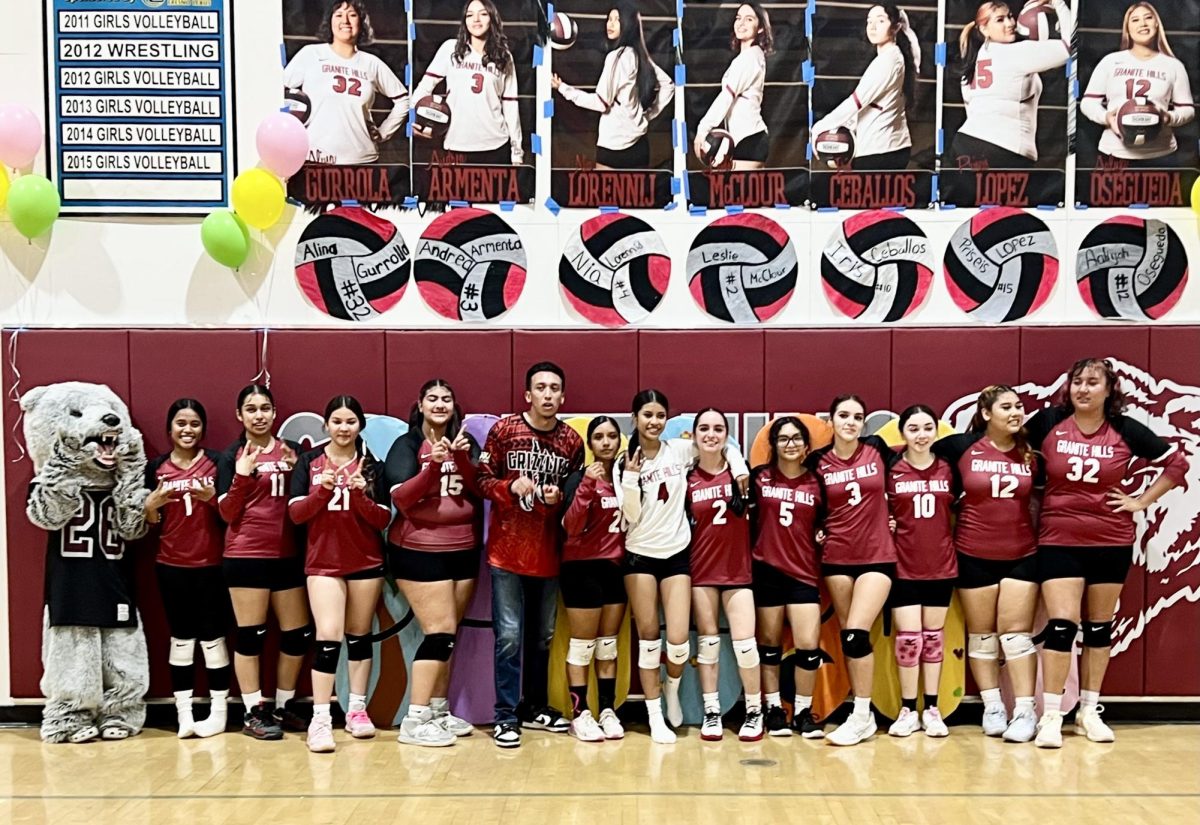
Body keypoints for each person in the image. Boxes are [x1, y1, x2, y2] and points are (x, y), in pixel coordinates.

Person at [1025, 359, 1185, 747]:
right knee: (1062, 628)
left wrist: (1140, 501)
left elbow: (1176, 463)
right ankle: (1050, 715)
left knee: (1098, 628)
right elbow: (1007, 449)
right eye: (1077, 381)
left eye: (1092, 382)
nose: (1083, 388)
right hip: (1059, 537)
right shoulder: (1047, 422)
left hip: (1110, 539)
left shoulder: (1125, 429)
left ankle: (1088, 711)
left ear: (1109, 389)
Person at [620, 390, 749, 744]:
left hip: (676, 554)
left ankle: (673, 689)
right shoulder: (623, 461)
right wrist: (631, 478)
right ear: (635, 418)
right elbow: (630, 516)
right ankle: (654, 715)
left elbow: (721, 446)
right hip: (639, 555)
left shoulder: (678, 449)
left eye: (660, 415)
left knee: (678, 643)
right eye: (647, 414)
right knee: (648, 640)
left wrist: (739, 467)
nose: (654, 421)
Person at [477, 362, 585, 748]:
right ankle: (505, 715)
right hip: (507, 552)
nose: (548, 394)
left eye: (555, 388)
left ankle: (534, 706)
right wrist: (510, 486)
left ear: (563, 396)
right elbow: (481, 481)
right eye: (541, 387)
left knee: (542, 637)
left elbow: (575, 497)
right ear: (528, 394)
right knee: (508, 636)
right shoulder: (504, 430)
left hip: (549, 553)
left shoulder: (572, 441)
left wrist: (558, 500)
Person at [933, 385, 1040, 742]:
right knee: (982, 638)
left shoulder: (1030, 452)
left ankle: (1025, 711)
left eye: (1018, 406)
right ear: (985, 412)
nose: (1015, 412)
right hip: (973, 553)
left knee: (1015, 636)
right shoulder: (960, 448)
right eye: (1006, 406)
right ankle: (992, 707)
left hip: (1021, 554)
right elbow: (915, 460)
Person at [288, 396, 390, 753]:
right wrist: (323, 491)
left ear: (359, 425)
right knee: (328, 636)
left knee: (359, 636)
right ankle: (320, 718)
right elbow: (297, 515)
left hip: (365, 561)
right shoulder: (308, 462)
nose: (344, 428)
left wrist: (362, 494)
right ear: (326, 425)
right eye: (337, 421)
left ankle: (357, 710)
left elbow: (383, 519)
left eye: (350, 421)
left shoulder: (372, 465)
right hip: (324, 563)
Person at [384, 379, 482, 747]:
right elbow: (403, 500)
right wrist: (433, 468)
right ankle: (415, 718)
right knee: (438, 632)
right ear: (420, 405)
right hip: (419, 550)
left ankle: (439, 712)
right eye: (432, 399)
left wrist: (458, 459)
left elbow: (479, 488)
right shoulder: (407, 444)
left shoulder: (465, 444)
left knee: (449, 637)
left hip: (464, 549)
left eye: (446, 398)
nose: (440, 404)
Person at [216, 384, 311, 741]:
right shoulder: (232, 456)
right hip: (246, 556)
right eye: (251, 409)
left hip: (287, 555)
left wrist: (295, 470)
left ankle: (283, 706)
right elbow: (226, 512)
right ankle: (253, 711)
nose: (259, 415)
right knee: (251, 635)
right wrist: (242, 476)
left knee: (297, 634)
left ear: (275, 414)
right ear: (240, 415)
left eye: (265, 408)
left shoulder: (291, 453)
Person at [806, 395, 896, 746]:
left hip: (877, 555)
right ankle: (863, 712)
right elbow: (808, 501)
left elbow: (909, 473)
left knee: (857, 633)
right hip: (837, 556)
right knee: (849, 637)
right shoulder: (818, 461)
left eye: (858, 417)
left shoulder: (877, 449)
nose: (851, 422)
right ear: (831, 420)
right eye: (844, 415)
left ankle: (861, 716)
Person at [144, 399, 230, 739]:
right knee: (181, 639)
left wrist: (212, 497)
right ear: (170, 429)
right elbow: (150, 521)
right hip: (170, 565)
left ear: (203, 429)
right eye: (181, 423)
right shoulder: (157, 467)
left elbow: (230, 515)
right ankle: (184, 713)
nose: (187, 429)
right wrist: (150, 507)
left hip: (211, 564)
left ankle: (219, 710)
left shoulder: (217, 462)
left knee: (212, 638)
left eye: (194, 423)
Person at [687, 409, 763, 742]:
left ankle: (754, 711)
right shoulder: (685, 477)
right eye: (704, 428)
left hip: (737, 571)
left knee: (746, 645)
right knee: (708, 644)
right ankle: (712, 711)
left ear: (727, 435)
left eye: (718, 428)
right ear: (693, 435)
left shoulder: (742, 475)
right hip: (702, 570)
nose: (711, 434)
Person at [751, 417, 825, 739]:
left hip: (804, 572)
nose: (790, 444)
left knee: (808, 647)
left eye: (796, 439)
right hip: (766, 568)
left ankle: (804, 712)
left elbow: (828, 523)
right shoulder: (759, 478)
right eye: (783, 439)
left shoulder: (817, 482)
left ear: (806, 446)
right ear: (774, 445)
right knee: (769, 645)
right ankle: (773, 710)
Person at [886, 405, 956, 738]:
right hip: (903, 565)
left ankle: (931, 708)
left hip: (941, 565)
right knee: (909, 640)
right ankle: (906, 709)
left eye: (927, 427)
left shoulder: (948, 468)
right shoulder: (892, 470)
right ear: (903, 433)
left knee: (933, 640)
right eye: (913, 428)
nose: (921, 434)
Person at [559, 416, 627, 741]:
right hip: (581, 568)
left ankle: (608, 709)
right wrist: (586, 484)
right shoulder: (578, 477)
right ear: (590, 443)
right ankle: (580, 713)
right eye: (598, 436)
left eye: (612, 436)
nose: (605, 442)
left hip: (615, 570)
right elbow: (570, 526)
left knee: (608, 646)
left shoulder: (627, 478)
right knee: (583, 646)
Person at [282, 0, 410, 165]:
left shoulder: (371, 63)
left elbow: (403, 100)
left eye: (352, 15)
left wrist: (384, 132)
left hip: (362, 160)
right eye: (339, 15)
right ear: (330, 21)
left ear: (361, 21)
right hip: (316, 158)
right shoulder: (310, 54)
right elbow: (279, 92)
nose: (345, 21)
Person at [551, 3, 674, 170]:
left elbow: (601, 103)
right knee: (636, 196)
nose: (611, 24)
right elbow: (669, 85)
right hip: (640, 145)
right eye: (609, 19)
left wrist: (563, 88)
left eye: (617, 20)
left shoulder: (616, 58)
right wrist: (646, 116)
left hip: (614, 146)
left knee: (605, 196)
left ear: (628, 24)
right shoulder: (639, 54)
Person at [952, 0, 1073, 169]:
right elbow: (1070, 46)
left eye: (1010, 16)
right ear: (983, 29)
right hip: (1005, 148)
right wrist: (1059, 3)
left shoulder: (975, 60)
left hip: (965, 143)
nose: (1010, 23)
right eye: (1000, 20)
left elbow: (970, 109)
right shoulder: (1016, 53)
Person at [1080, 2, 1195, 168]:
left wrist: (1169, 117)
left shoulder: (1173, 65)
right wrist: (1107, 117)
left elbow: (1188, 109)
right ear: (1127, 28)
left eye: (1148, 18)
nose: (1143, 24)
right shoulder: (1111, 61)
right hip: (1113, 153)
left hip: (1162, 154)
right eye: (1135, 20)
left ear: (1157, 23)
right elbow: (1088, 103)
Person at [811, 4, 920, 171]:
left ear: (895, 27)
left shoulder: (888, 61)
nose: (873, 27)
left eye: (881, 21)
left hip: (880, 152)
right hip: (888, 148)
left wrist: (820, 127)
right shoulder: (897, 56)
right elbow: (913, 47)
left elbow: (855, 102)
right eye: (869, 22)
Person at [413, 0, 523, 165]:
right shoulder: (451, 49)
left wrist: (517, 152)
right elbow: (424, 87)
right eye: (470, 15)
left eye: (483, 14)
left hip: (496, 144)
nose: (476, 19)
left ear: (492, 18)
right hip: (456, 143)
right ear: (464, 21)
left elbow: (510, 105)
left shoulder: (504, 56)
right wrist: (413, 120)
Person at [693, 3, 773, 170]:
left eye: (749, 19)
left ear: (760, 28)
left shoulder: (750, 58)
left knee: (745, 194)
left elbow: (726, 97)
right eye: (738, 18)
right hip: (743, 139)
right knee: (743, 194)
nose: (741, 23)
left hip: (749, 139)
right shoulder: (749, 57)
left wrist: (703, 129)